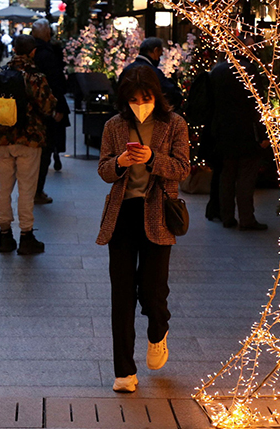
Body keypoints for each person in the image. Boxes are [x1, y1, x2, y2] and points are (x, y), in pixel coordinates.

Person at [97, 64, 190, 393]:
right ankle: (124, 371)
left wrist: (152, 158)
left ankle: (157, 331)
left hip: (158, 213)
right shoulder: (114, 126)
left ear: (156, 95)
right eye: (133, 98)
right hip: (122, 214)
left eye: (146, 97)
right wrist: (120, 163)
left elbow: (181, 169)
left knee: (152, 291)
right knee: (121, 295)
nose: (140, 104)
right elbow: (104, 169)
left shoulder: (174, 124)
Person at [0, 34, 58, 255]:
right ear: (32, 52)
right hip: (29, 140)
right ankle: (26, 235)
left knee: (4, 188)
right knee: (26, 189)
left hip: (4, 139)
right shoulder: (35, 77)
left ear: (14, 50)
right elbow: (48, 105)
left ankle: (4, 235)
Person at [208, 36, 269, 230]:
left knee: (227, 175)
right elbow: (258, 105)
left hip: (223, 131)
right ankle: (246, 218)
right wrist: (264, 133)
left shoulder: (216, 71)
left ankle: (227, 215)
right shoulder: (248, 70)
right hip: (246, 131)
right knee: (246, 176)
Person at [31, 19, 70, 204]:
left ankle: (32, 190)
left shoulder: (30, 53)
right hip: (47, 107)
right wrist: (60, 107)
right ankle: (37, 191)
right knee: (45, 149)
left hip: (30, 108)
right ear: (47, 33)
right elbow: (55, 83)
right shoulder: (47, 53)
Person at [122, 37, 184, 110]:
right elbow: (172, 94)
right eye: (160, 55)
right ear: (156, 51)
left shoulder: (126, 71)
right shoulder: (153, 72)